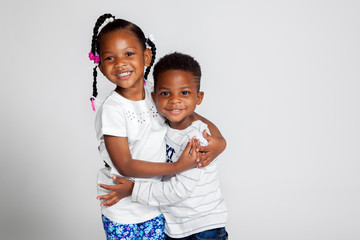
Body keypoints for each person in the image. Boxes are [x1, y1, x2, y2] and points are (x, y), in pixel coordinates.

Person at [89, 14, 226, 239]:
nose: (121, 63)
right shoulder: (113, 109)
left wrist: (220, 142)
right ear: (101, 67)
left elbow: (191, 115)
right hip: (124, 204)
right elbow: (125, 165)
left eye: (129, 54)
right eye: (110, 58)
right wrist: (177, 167)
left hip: (157, 207)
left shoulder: (156, 93)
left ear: (146, 56)